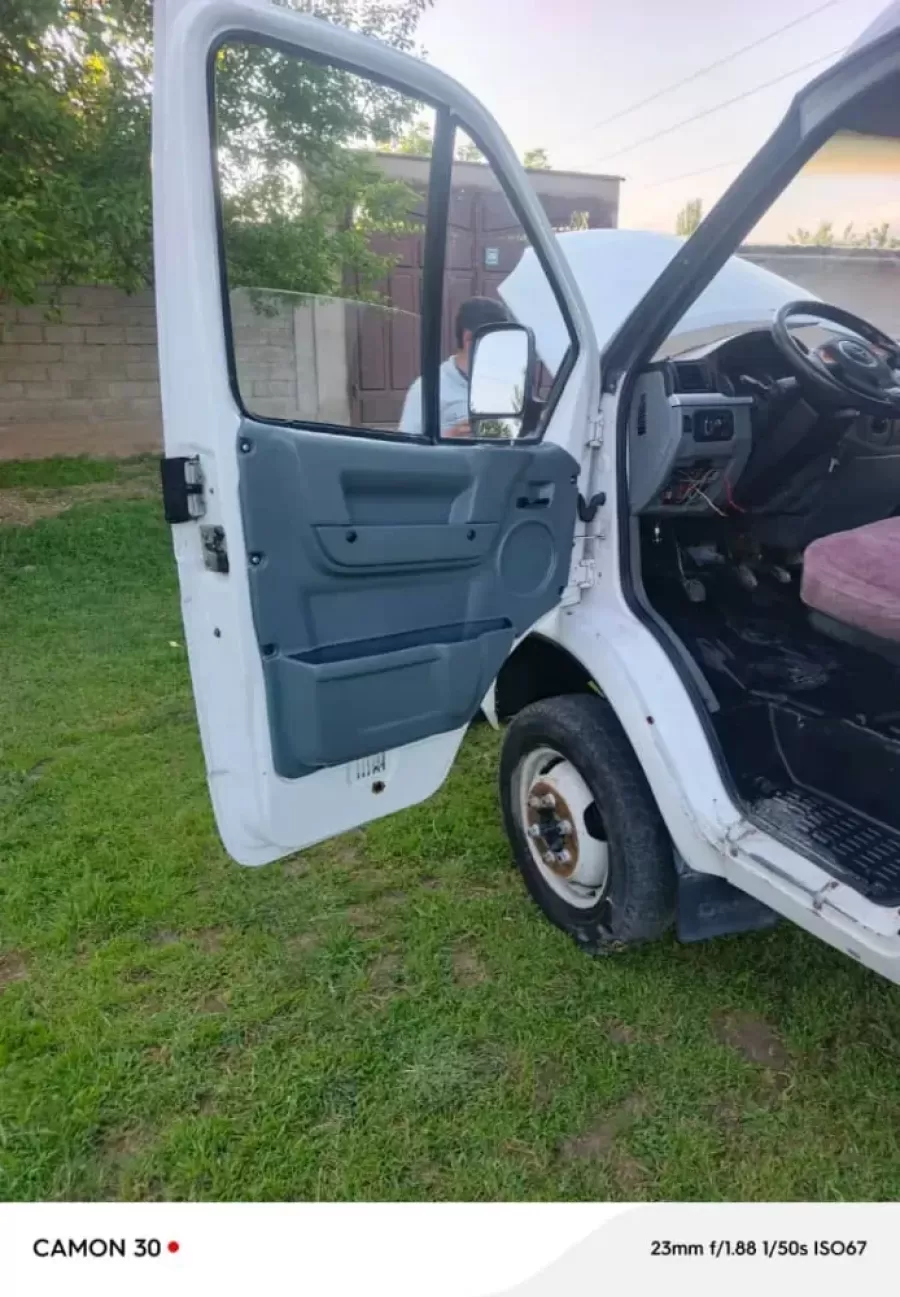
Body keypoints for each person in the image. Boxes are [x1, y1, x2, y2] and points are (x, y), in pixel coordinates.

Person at [399, 296, 509, 438]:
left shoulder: (506, 384)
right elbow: (407, 447)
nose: (502, 349)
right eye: (496, 341)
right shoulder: (427, 389)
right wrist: (449, 437)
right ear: (469, 339)